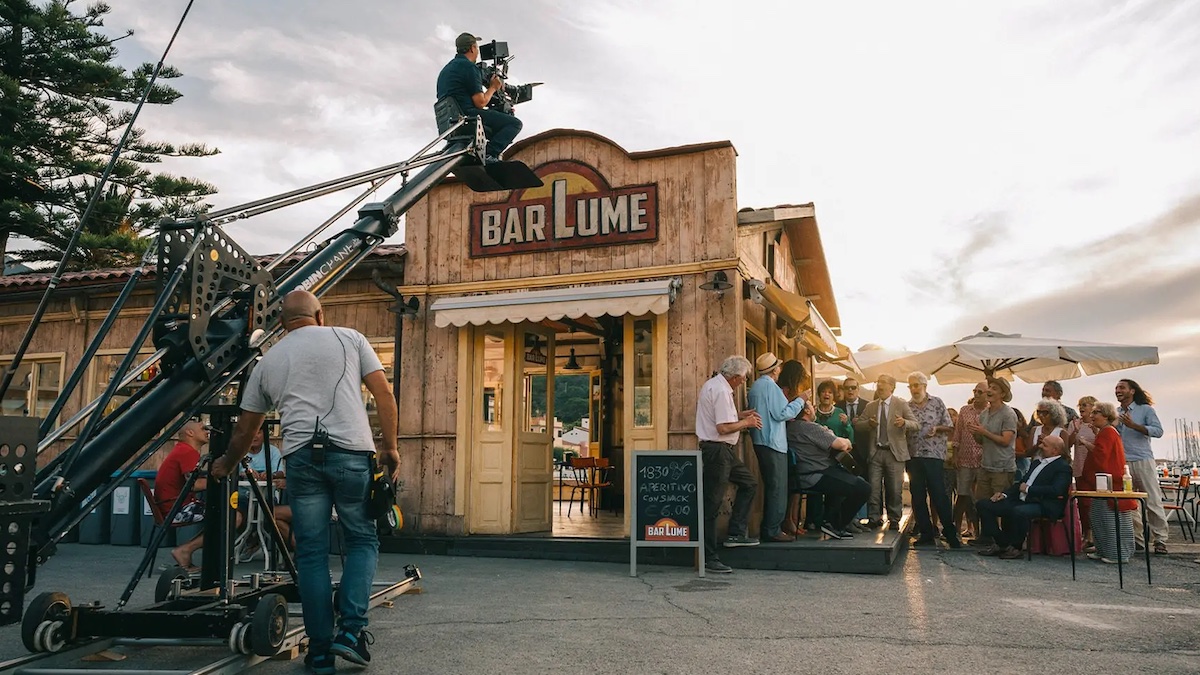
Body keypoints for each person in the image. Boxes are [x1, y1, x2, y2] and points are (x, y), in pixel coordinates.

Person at [211, 290, 399, 674]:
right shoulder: (351, 338)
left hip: (301, 458)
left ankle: (320, 652)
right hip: (352, 455)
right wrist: (390, 448)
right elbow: (384, 394)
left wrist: (226, 464)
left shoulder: (269, 360)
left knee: (311, 553)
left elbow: (246, 428)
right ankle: (352, 632)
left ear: (282, 323)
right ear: (320, 314)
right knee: (361, 540)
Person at [695, 356, 763, 574]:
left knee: (749, 483)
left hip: (721, 450)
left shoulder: (714, 385)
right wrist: (747, 422)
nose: (744, 381)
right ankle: (709, 557)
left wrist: (740, 415)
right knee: (712, 504)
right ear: (735, 376)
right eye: (743, 378)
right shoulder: (722, 391)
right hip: (718, 450)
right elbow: (723, 428)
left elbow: (721, 418)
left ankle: (735, 533)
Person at [975, 435, 1073, 559]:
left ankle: (1016, 547)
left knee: (1018, 511)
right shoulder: (1036, 463)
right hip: (1021, 499)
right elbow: (1021, 483)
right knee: (984, 505)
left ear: (1055, 450)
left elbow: (1056, 490)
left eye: (1044, 445)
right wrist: (1004, 494)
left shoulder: (1063, 467)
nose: (1040, 446)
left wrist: (1028, 489)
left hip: (1042, 503)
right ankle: (1002, 543)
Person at [435, 32, 523, 163]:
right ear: (472, 48)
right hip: (467, 116)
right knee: (514, 124)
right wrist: (493, 87)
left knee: (496, 127)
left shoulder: (446, 70)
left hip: (449, 121)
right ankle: (489, 155)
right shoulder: (469, 67)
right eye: (476, 47)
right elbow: (480, 102)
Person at [787, 400, 869, 539]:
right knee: (863, 488)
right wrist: (845, 440)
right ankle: (834, 524)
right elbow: (841, 444)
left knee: (848, 478)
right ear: (806, 411)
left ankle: (830, 521)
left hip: (802, 474)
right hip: (816, 474)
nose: (814, 408)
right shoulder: (810, 427)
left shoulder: (791, 427)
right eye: (811, 406)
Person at [746, 353, 805, 543]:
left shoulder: (756, 386)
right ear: (775, 370)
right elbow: (782, 414)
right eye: (778, 366)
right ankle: (772, 530)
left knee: (772, 486)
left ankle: (770, 528)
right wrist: (801, 400)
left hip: (760, 441)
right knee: (778, 488)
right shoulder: (771, 386)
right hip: (773, 442)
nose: (780, 369)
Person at [854, 374, 918, 530]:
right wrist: (868, 423)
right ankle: (874, 518)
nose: (880, 385)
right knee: (874, 488)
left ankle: (894, 518)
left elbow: (916, 424)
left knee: (895, 488)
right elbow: (858, 425)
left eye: (883, 382)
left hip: (894, 453)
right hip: (876, 451)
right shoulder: (871, 406)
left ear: (892, 387)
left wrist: (904, 422)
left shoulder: (900, 404)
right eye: (878, 382)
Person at [904, 372, 961, 548]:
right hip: (913, 455)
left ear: (924, 386)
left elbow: (949, 426)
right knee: (917, 496)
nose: (913, 389)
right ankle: (926, 533)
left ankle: (950, 533)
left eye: (916, 385)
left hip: (934, 455)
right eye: (911, 386)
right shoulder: (906, 407)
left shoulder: (937, 403)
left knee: (939, 494)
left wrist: (936, 428)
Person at [1114, 379, 1168, 555]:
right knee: (1129, 503)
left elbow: (1158, 431)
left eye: (1122, 387)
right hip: (1124, 462)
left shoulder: (1145, 410)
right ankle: (1137, 540)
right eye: (1116, 388)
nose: (1118, 390)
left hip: (1142, 460)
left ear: (1132, 391)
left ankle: (1160, 540)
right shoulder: (1117, 413)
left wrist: (1134, 426)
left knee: (1152, 500)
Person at [155, 416, 214, 570]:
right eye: (203, 428)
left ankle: (186, 550)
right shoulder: (188, 452)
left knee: (224, 514)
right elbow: (194, 484)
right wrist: (224, 478)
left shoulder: (182, 450)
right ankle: (185, 550)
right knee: (233, 516)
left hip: (171, 506)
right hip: (176, 509)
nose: (207, 431)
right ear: (190, 433)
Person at [966, 377, 1018, 546]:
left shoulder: (1008, 414)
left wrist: (984, 432)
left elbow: (1006, 441)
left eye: (994, 388)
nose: (989, 390)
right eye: (990, 387)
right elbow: (982, 441)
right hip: (985, 465)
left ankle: (1003, 541)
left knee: (1000, 506)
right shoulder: (984, 414)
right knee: (982, 503)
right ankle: (986, 537)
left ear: (1002, 394)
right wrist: (975, 433)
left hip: (1002, 468)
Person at [1082, 402, 1136, 563]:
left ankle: (1116, 554)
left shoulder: (1107, 432)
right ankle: (1103, 550)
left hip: (1109, 482)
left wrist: (1085, 443)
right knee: (1098, 516)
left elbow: (1101, 454)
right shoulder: (1105, 431)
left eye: (1096, 413)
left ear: (1105, 415)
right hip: (1103, 482)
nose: (1092, 416)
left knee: (1109, 519)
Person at [810, 379, 855, 532]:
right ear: (819, 395)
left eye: (830, 392)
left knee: (835, 488)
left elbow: (850, 437)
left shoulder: (840, 413)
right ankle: (813, 520)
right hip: (815, 457)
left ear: (834, 395)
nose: (826, 394)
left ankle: (830, 519)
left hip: (835, 457)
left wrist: (847, 425)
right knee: (815, 488)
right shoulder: (813, 413)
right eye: (823, 392)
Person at [239, 428, 293, 553]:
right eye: (252, 432)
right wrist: (244, 474)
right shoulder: (240, 452)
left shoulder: (272, 451)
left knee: (271, 515)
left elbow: (280, 472)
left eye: (258, 432)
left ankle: (254, 539)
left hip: (267, 498)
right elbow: (233, 472)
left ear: (264, 434)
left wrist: (271, 474)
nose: (255, 436)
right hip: (243, 498)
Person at [950, 382, 988, 541]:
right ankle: (957, 530)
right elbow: (957, 434)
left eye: (980, 392)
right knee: (962, 495)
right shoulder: (965, 410)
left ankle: (980, 533)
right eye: (975, 391)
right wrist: (955, 455)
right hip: (964, 459)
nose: (976, 394)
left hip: (983, 460)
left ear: (987, 394)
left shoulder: (990, 411)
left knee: (981, 498)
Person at [777, 360, 809, 536]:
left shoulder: (788, 390)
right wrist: (801, 401)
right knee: (792, 484)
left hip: (789, 438)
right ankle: (788, 521)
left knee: (795, 485)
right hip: (788, 438)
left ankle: (793, 521)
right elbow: (787, 413)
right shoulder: (785, 391)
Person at [1066, 396, 1098, 546]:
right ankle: (1087, 535)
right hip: (1080, 466)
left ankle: (1098, 536)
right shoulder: (1075, 423)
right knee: (1084, 503)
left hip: (1096, 468)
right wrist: (1075, 431)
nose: (1081, 408)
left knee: (1097, 504)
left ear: (1093, 407)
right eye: (1080, 405)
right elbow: (1067, 444)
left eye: (1085, 405)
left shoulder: (1098, 423)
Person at [840, 378, 872, 476]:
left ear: (858, 389)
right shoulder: (837, 407)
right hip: (845, 450)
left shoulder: (868, 405)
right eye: (847, 388)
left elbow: (873, 425)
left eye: (853, 387)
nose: (850, 390)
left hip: (864, 450)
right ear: (843, 390)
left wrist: (862, 423)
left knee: (865, 478)